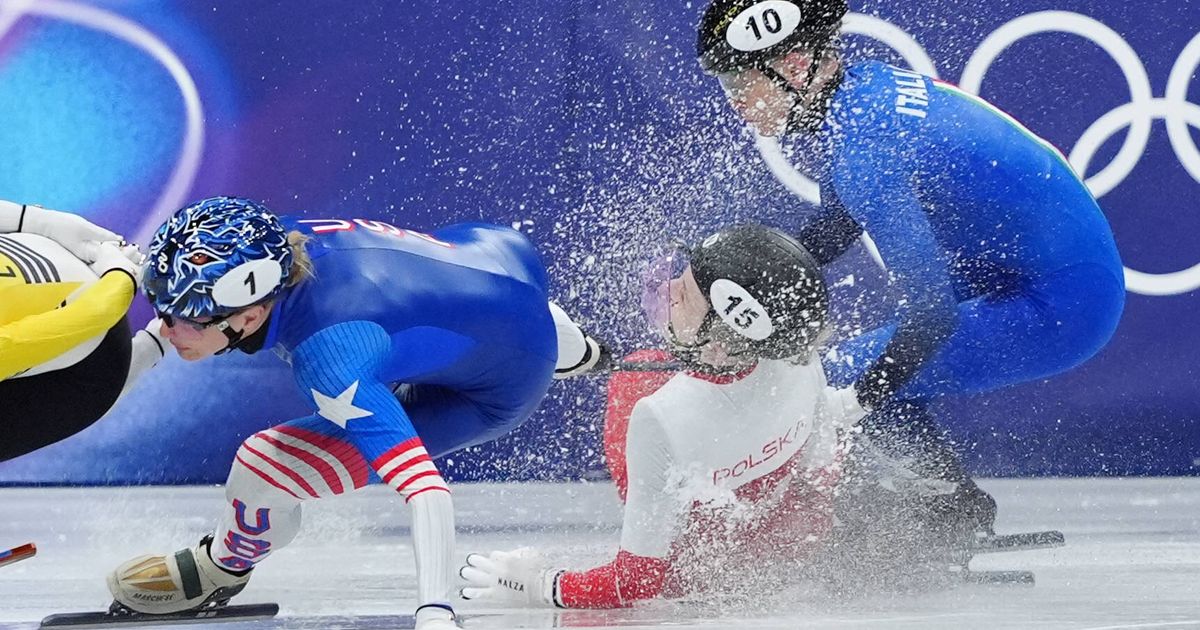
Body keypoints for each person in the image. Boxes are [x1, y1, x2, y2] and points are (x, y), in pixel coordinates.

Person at [694, 0, 1125, 541]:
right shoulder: (860, 95)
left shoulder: (865, 152)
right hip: (1031, 270)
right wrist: (740, 298)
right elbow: (834, 228)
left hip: (1065, 302)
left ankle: (948, 516)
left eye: (739, 82)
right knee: (859, 374)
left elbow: (932, 316)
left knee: (844, 377)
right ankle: (937, 508)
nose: (734, 102)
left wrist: (853, 403)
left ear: (797, 66)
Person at [105, 197, 604, 630]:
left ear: (251, 316)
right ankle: (581, 350)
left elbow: (426, 491)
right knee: (497, 323)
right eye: (163, 306)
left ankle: (221, 569)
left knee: (261, 466)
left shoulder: (331, 358)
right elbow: (168, 328)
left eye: (183, 319)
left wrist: (434, 612)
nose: (166, 327)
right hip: (501, 255)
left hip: (497, 390)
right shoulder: (271, 239)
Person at [459, 225, 866, 608]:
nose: (668, 290)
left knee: (636, 375)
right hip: (793, 537)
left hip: (698, 568)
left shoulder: (660, 414)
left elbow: (635, 583)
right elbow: (820, 466)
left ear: (719, 348)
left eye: (683, 295)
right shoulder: (796, 350)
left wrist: (539, 585)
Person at [0, 200, 165, 462]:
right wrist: (121, 273)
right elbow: (94, 314)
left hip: (95, 367)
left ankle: (153, 346)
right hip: (71, 279)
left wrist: (36, 221)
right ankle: (155, 343)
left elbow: (96, 315)